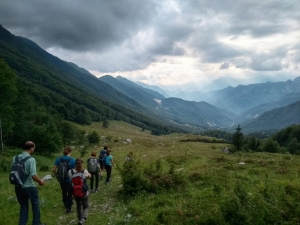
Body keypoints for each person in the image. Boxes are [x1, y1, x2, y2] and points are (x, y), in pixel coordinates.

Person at [12, 141, 46, 225]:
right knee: (35, 204)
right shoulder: (31, 159)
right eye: (34, 147)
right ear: (31, 148)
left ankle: (22, 223)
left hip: (18, 186)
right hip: (29, 186)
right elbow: (33, 175)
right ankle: (36, 223)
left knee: (23, 206)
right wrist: (40, 181)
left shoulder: (15, 158)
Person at [52, 146, 75, 213]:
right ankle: (69, 207)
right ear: (70, 152)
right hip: (69, 179)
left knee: (64, 192)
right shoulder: (72, 159)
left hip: (61, 179)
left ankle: (65, 204)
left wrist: (56, 176)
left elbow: (53, 169)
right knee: (70, 192)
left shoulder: (58, 159)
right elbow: (74, 170)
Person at [68, 158, 91, 225]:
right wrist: (89, 175)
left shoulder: (70, 172)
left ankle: (80, 219)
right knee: (86, 206)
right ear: (82, 163)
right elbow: (89, 176)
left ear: (75, 164)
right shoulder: (84, 171)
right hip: (84, 192)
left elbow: (70, 179)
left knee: (78, 205)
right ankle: (83, 219)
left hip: (75, 193)